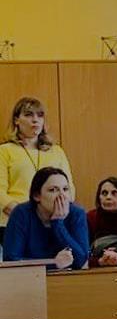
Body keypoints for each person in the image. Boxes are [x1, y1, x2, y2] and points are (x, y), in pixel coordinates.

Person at [3, 167, 93, 319]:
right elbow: (12, 258)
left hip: (66, 291)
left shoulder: (75, 213)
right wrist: (52, 263)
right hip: (25, 290)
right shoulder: (22, 214)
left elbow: (80, 258)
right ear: (36, 195)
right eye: (53, 190)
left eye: (65, 189)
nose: (61, 196)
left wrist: (58, 223)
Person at [1, 97, 72, 248]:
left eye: (40, 115)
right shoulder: (4, 151)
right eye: (28, 115)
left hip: (51, 221)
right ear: (16, 120)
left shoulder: (56, 151)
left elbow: (69, 189)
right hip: (13, 222)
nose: (35, 120)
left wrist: (54, 213)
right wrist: (24, 215)